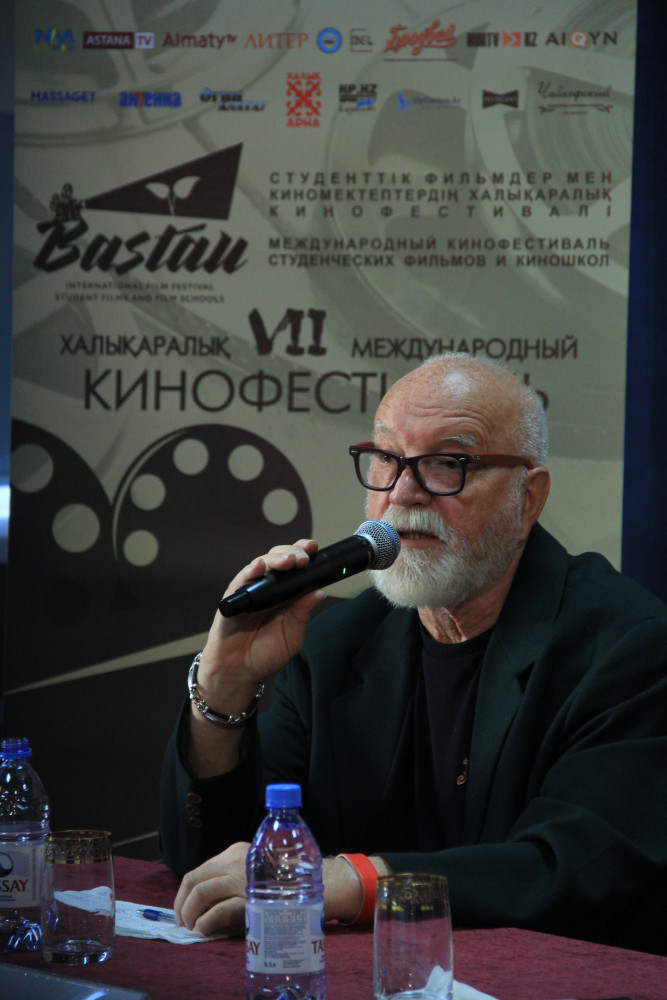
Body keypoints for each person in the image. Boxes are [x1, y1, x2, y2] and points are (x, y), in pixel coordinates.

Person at [159, 352, 667, 954]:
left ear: (528, 499)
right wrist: (222, 691)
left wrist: (355, 881)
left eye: (449, 463)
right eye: (386, 458)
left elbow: (572, 868)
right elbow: (221, 870)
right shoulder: (332, 644)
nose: (403, 493)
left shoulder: (626, 646)